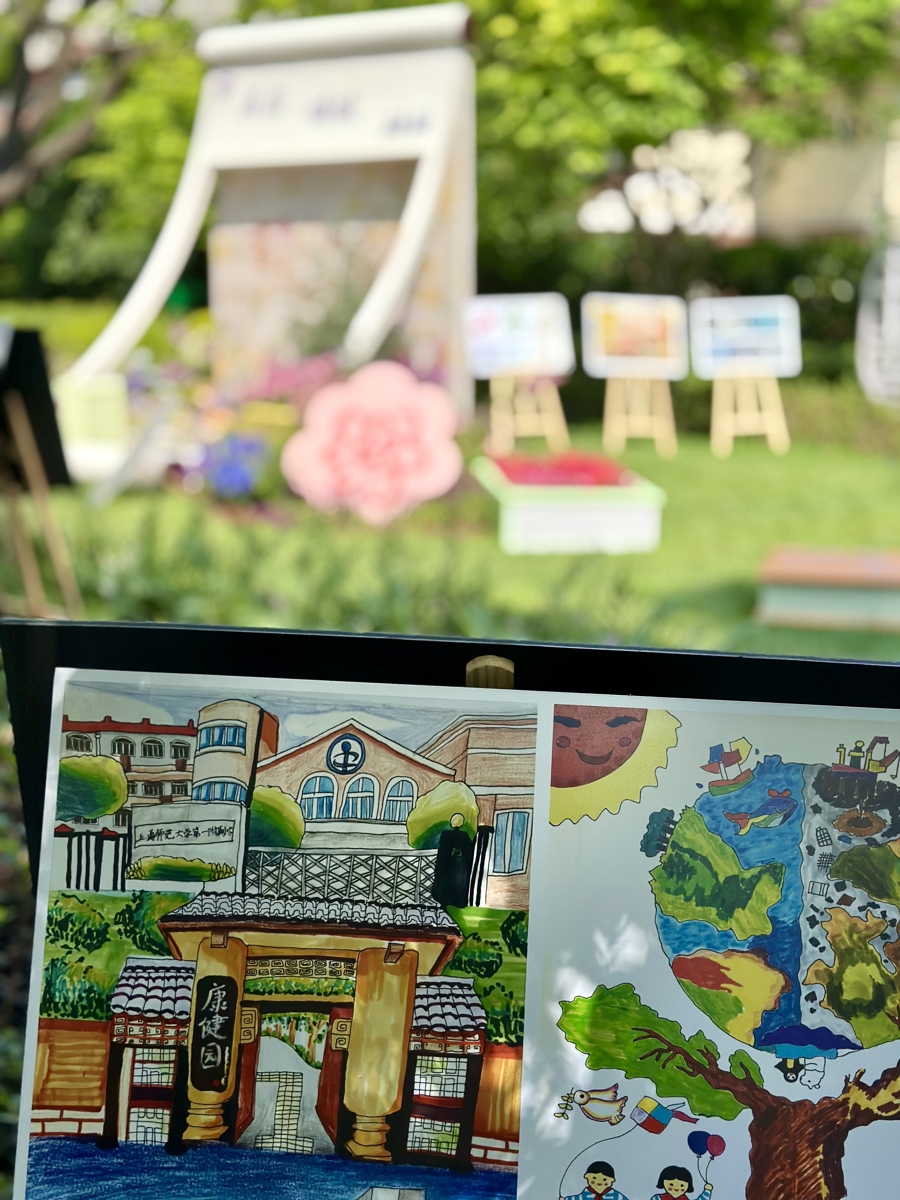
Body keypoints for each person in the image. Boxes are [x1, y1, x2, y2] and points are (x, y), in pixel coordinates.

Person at [562, 1160, 630, 1200]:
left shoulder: (614, 1195)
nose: (599, 1181)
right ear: (587, 1177)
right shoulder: (586, 1194)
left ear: (611, 1180)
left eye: (604, 1179)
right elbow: (578, 1198)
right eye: (594, 1178)